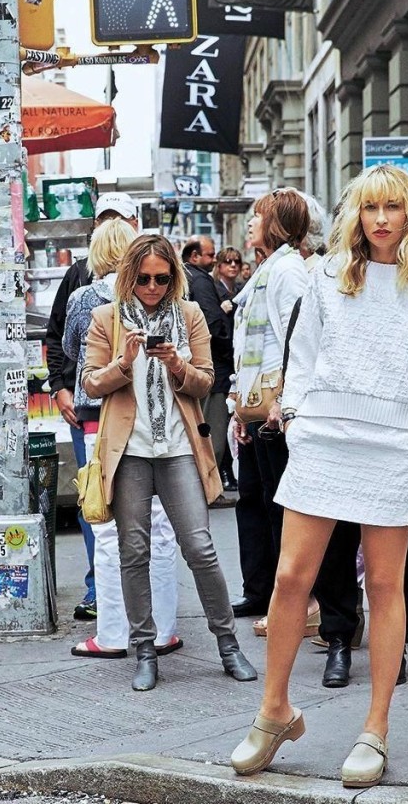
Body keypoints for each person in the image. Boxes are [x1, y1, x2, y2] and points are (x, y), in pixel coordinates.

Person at [230, 165, 408, 787]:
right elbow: (300, 356)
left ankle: (376, 727)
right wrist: (303, 417)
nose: (382, 219)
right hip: (326, 441)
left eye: (393, 207)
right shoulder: (328, 276)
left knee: (386, 587)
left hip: (395, 447)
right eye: (371, 209)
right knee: (289, 579)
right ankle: (274, 711)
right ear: (355, 215)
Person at [82, 234, 256, 691]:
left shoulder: (191, 314)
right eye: (143, 279)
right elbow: (91, 384)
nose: (153, 287)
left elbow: (206, 383)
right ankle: (145, 650)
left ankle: (228, 644)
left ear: (174, 277)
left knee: (200, 548)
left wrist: (177, 364)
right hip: (130, 454)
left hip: (179, 449)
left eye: (162, 278)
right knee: (133, 552)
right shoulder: (107, 319)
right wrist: (125, 362)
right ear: (129, 277)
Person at [63, 218, 183, 660]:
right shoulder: (174, 305)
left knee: (110, 528)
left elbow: (77, 359)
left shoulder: (88, 302)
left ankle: (115, 631)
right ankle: (163, 629)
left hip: (104, 418)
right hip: (158, 422)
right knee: (162, 528)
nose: (152, 284)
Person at [46, 191, 141, 621]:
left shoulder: (150, 283)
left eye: (115, 221)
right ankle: (101, 590)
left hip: (119, 408)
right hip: (90, 407)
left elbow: (67, 342)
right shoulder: (77, 282)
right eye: (103, 221)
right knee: (97, 501)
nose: (108, 229)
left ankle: (123, 596)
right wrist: (60, 387)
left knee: (132, 503)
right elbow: (58, 341)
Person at [226, 190, 313, 629]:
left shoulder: (288, 272)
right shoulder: (265, 271)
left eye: (257, 217)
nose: (250, 224)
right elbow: (249, 347)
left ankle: (287, 600)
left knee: (280, 506)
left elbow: (296, 341)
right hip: (256, 408)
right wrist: (239, 407)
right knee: (254, 500)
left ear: (276, 222)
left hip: (278, 410)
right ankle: (259, 591)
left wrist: (280, 401)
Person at [181, 236, 233, 506]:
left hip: (201, 367)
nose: (214, 260)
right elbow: (212, 322)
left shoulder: (189, 278)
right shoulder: (199, 280)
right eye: (210, 255)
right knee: (212, 434)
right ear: (194, 256)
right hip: (213, 369)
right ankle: (208, 491)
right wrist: (228, 348)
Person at [214, 247, 242, 490]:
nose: (232, 265)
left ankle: (228, 471)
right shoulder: (216, 289)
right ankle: (223, 471)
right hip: (223, 365)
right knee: (221, 422)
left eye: (236, 262)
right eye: (228, 262)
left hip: (237, 362)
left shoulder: (241, 289)